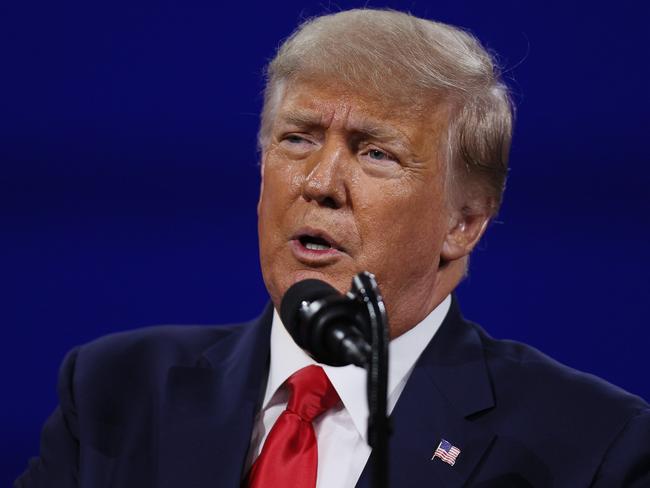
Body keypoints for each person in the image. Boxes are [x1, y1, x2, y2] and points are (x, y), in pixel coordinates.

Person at [16, 8, 650, 488]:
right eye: (297, 139)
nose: (320, 184)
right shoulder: (112, 392)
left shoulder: (591, 446)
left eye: (376, 153)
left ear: (465, 223)